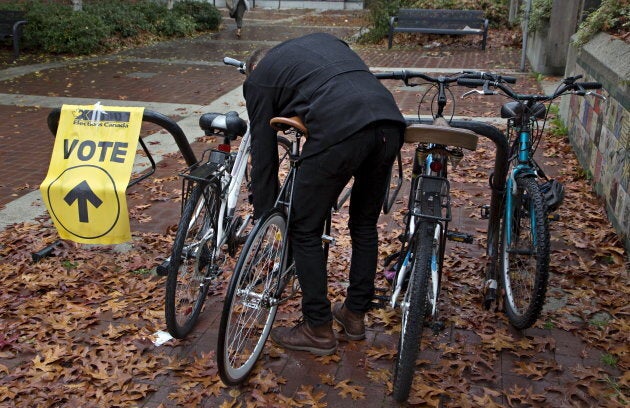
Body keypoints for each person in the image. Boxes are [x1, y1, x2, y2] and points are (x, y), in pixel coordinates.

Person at [243, 33, 406, 356]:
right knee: (363, 225)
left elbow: (263, 151)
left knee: (304, 228)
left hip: (342, 129)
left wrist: (265, 217)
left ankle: (317, 327)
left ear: (253, 69)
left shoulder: (259, 79)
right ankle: (354, 315)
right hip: (389, 122)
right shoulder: (324, 41)